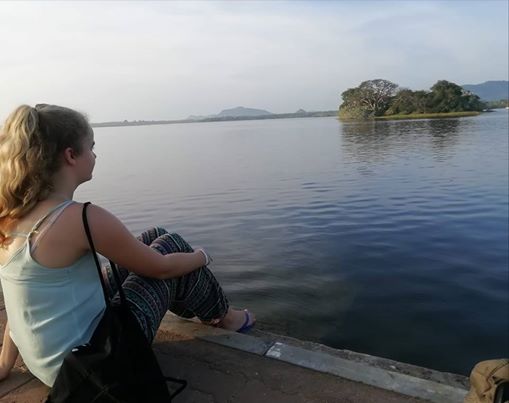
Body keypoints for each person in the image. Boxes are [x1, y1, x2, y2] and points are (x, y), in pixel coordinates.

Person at [0, 104, 255, 387]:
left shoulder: (11, 215)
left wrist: (3, 364)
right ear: (71, 156)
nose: (96, 155)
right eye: (91, 147)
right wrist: (203, 256)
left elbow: (19, 303)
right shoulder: (80, 217)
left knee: (154, 235)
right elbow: (160, 269)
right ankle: (226, 317)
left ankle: (214, 312)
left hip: (50, 364)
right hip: (94, 365)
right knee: (170, 246)